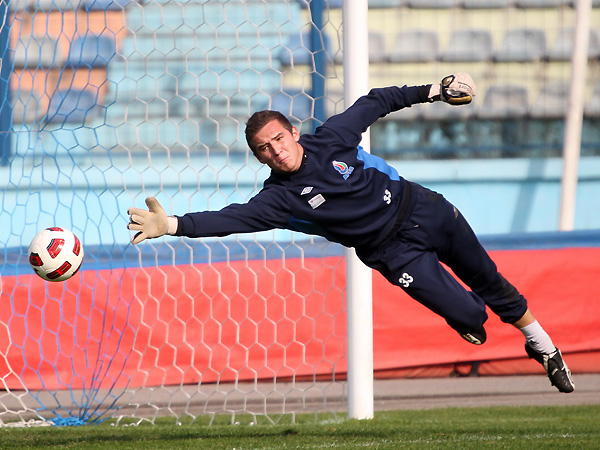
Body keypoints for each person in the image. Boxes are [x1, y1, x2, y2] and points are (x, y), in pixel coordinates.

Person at [127, 74, 575, 393]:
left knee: (489, 280)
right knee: (469, 314)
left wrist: (433, 90)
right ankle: (468, 319)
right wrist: (171, 225)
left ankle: (544, 346)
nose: (276, 150)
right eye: (265, 148)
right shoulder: (278, 199)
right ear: (259, 158)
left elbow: (376, 100)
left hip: (423, 208)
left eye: (279, 138)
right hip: (393, 252)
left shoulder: (331, 138)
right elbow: (230, 219)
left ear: (294, 133)